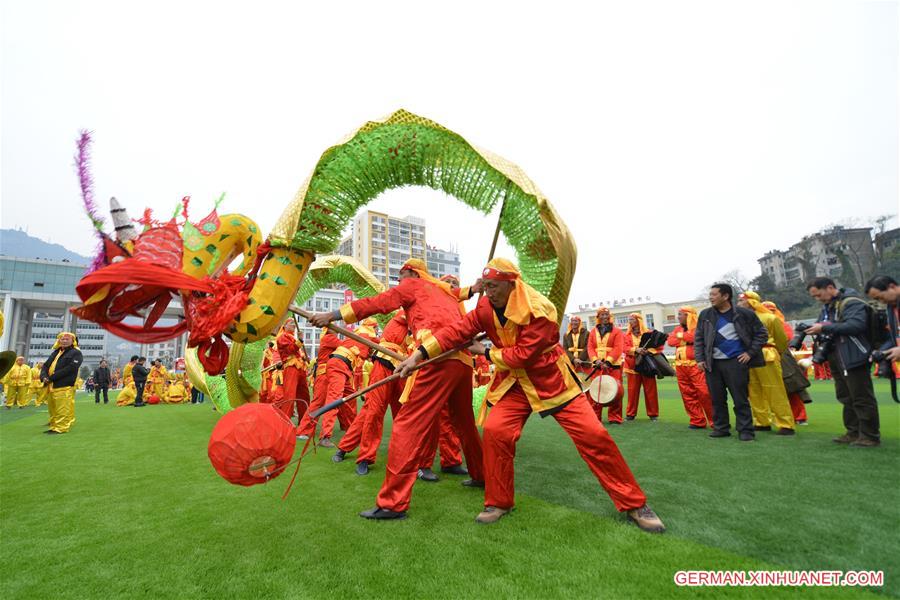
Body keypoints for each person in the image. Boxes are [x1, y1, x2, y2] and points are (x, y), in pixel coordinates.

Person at [395, 258, 664, 531]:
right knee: (496, 431)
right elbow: (455, 332)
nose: (488, 292)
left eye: (494, 286)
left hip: (553, 381)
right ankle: (498, 501)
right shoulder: (485, 306)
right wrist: (418, 355)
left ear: (512, 284)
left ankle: (634, 504)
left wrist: (484, 352)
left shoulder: (541, 310)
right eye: (485, 286)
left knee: (594, 436)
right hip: (515, 384)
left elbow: (523, 355)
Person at [309, 258, 484, 521]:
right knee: (464, 423)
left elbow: (375, 303)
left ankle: (393, 502)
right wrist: (473, 290)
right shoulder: (444, 292)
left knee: (406, 425)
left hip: (437, 358)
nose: (398, 282)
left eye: (400, 276)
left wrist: (331, 316)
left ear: (412, 273)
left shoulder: (414, 285)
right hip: (461, 361)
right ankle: (482, 475)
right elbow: (461, 306)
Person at [334, 311, 410, 475]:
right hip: (384, 363)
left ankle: (344, 447)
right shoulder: (405, 313)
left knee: (404, 413)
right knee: (374, 411)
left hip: (404, 369)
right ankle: (365, 458)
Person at [806, 277, 879, 447]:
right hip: (837, 355)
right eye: (814, 297)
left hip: (854, 355)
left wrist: (823, 327)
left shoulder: (851, 303)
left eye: (818, 295)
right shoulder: (828, 307)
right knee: (845, 396)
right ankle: (853, 432)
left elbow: (855, 326)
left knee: (861, 397)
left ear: (830, 287)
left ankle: (869, 435)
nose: (818, 299)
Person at [694, 283, 768, 442]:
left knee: (740, 398)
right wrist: (700, 358)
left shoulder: (744, 314)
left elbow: (761, 334)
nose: (710, 297)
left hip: (736, 362)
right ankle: (721, 428)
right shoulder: (705, 315)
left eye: (714, 294)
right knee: (717, 398)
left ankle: (745, 430)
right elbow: (699, 337)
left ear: (725, 296)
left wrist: (750, 353)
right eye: (710, 294)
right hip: (712, 364)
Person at [736, 292, 795, 435]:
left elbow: (781, 340)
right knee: (754, 391)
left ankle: (785, 424)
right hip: (748, 357)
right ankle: (762, 422)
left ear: (751, 302)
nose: (738, 303)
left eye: (741, 300)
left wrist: (777, 352)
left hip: (766, 354)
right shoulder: (739, 319)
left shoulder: (770, 318)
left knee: (775, 390)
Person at [763, 300, 811, 425]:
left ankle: (799, 417)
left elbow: (786, 340)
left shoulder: (781, 324)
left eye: (771, 310)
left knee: (792, 388)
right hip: (768, 359)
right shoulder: (763, 322)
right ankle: (781, 416)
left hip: (783, 358)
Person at [666, 306, 714, 429]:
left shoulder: (699, 326)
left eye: (680, 314)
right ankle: (697, 420)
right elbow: (671, 341)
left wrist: (681, 336)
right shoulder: (677, 328)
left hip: (696, 365)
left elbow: (693, 337)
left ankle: (714, 421)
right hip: (681, 367)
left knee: (704, 393)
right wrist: (685, 337)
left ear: (688, 315)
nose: (678, 317)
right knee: (687, 394)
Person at [586, 307, 625, 424]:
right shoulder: (593, 331)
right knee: (595, 390)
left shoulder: (617, 331)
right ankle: (595, 417)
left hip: (613, 366)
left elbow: (618, 347)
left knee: (615, 390)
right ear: (598, 317)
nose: (604, 317)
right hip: (597, 365)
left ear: (610, 316)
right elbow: (590, 347)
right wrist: (595, 360)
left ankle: (615, 417)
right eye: (602, 315)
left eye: (606, 315)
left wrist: (608, 361)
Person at [39, 332, 83, 433]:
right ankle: (54, 426)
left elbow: (70, 368)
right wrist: (44, 377)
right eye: (62, 339)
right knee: (52, 407)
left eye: (67, 339)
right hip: (51, 384)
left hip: (64, 385)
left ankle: (61, 427)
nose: (64, 341)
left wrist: (51, 378)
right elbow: (45, 366)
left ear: (73, 341)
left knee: (62, 407)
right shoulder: (56, 352)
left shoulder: (76, 353)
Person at [622, 313, 663, 421]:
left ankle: (653, 414)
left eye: (632, 320)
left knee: (651, 390)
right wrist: (636, 350)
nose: (630, 322)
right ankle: (630, 414)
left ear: (638, 321)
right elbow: (624, 348)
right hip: (632, 366)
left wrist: (648, 351)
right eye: (629, 320)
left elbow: (659, 347)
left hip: (647, 366)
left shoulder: (649, 333)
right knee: (632, 391)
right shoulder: (626, 335)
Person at [276, 319, 312, 422]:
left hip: (300, 368)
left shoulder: (292, 337)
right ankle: (285, 422)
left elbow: (297, 352)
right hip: (291, 368)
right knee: (290, 396)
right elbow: (290, 350)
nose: (294, 326)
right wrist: (300, 341)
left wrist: (304, 357)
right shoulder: (282, 337)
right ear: (285, 326)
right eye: (291, 324)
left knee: (304, 396)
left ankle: (304, 422)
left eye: (294, 324)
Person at [865, 275, 900, 365]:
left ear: (892, 287)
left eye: (880, 297)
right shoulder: (891, 307)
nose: (881, 301)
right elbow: (895, 337)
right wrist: (881, 352)